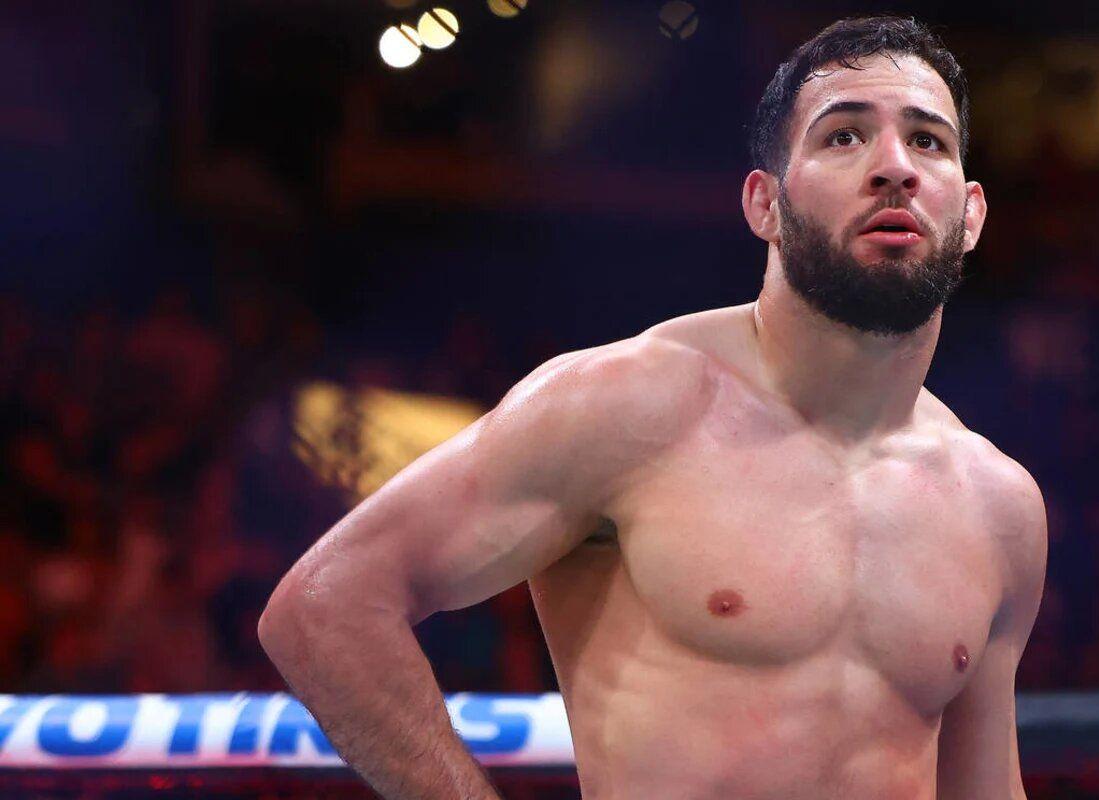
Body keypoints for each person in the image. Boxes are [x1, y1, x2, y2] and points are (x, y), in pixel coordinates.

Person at [259, 15, 1046, 799]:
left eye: (928, 141)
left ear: (970, 215)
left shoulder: (996, 506)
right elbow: (326, 607)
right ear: (765, 204)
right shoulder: (634, 408)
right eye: (844, 136)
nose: (895, 168)